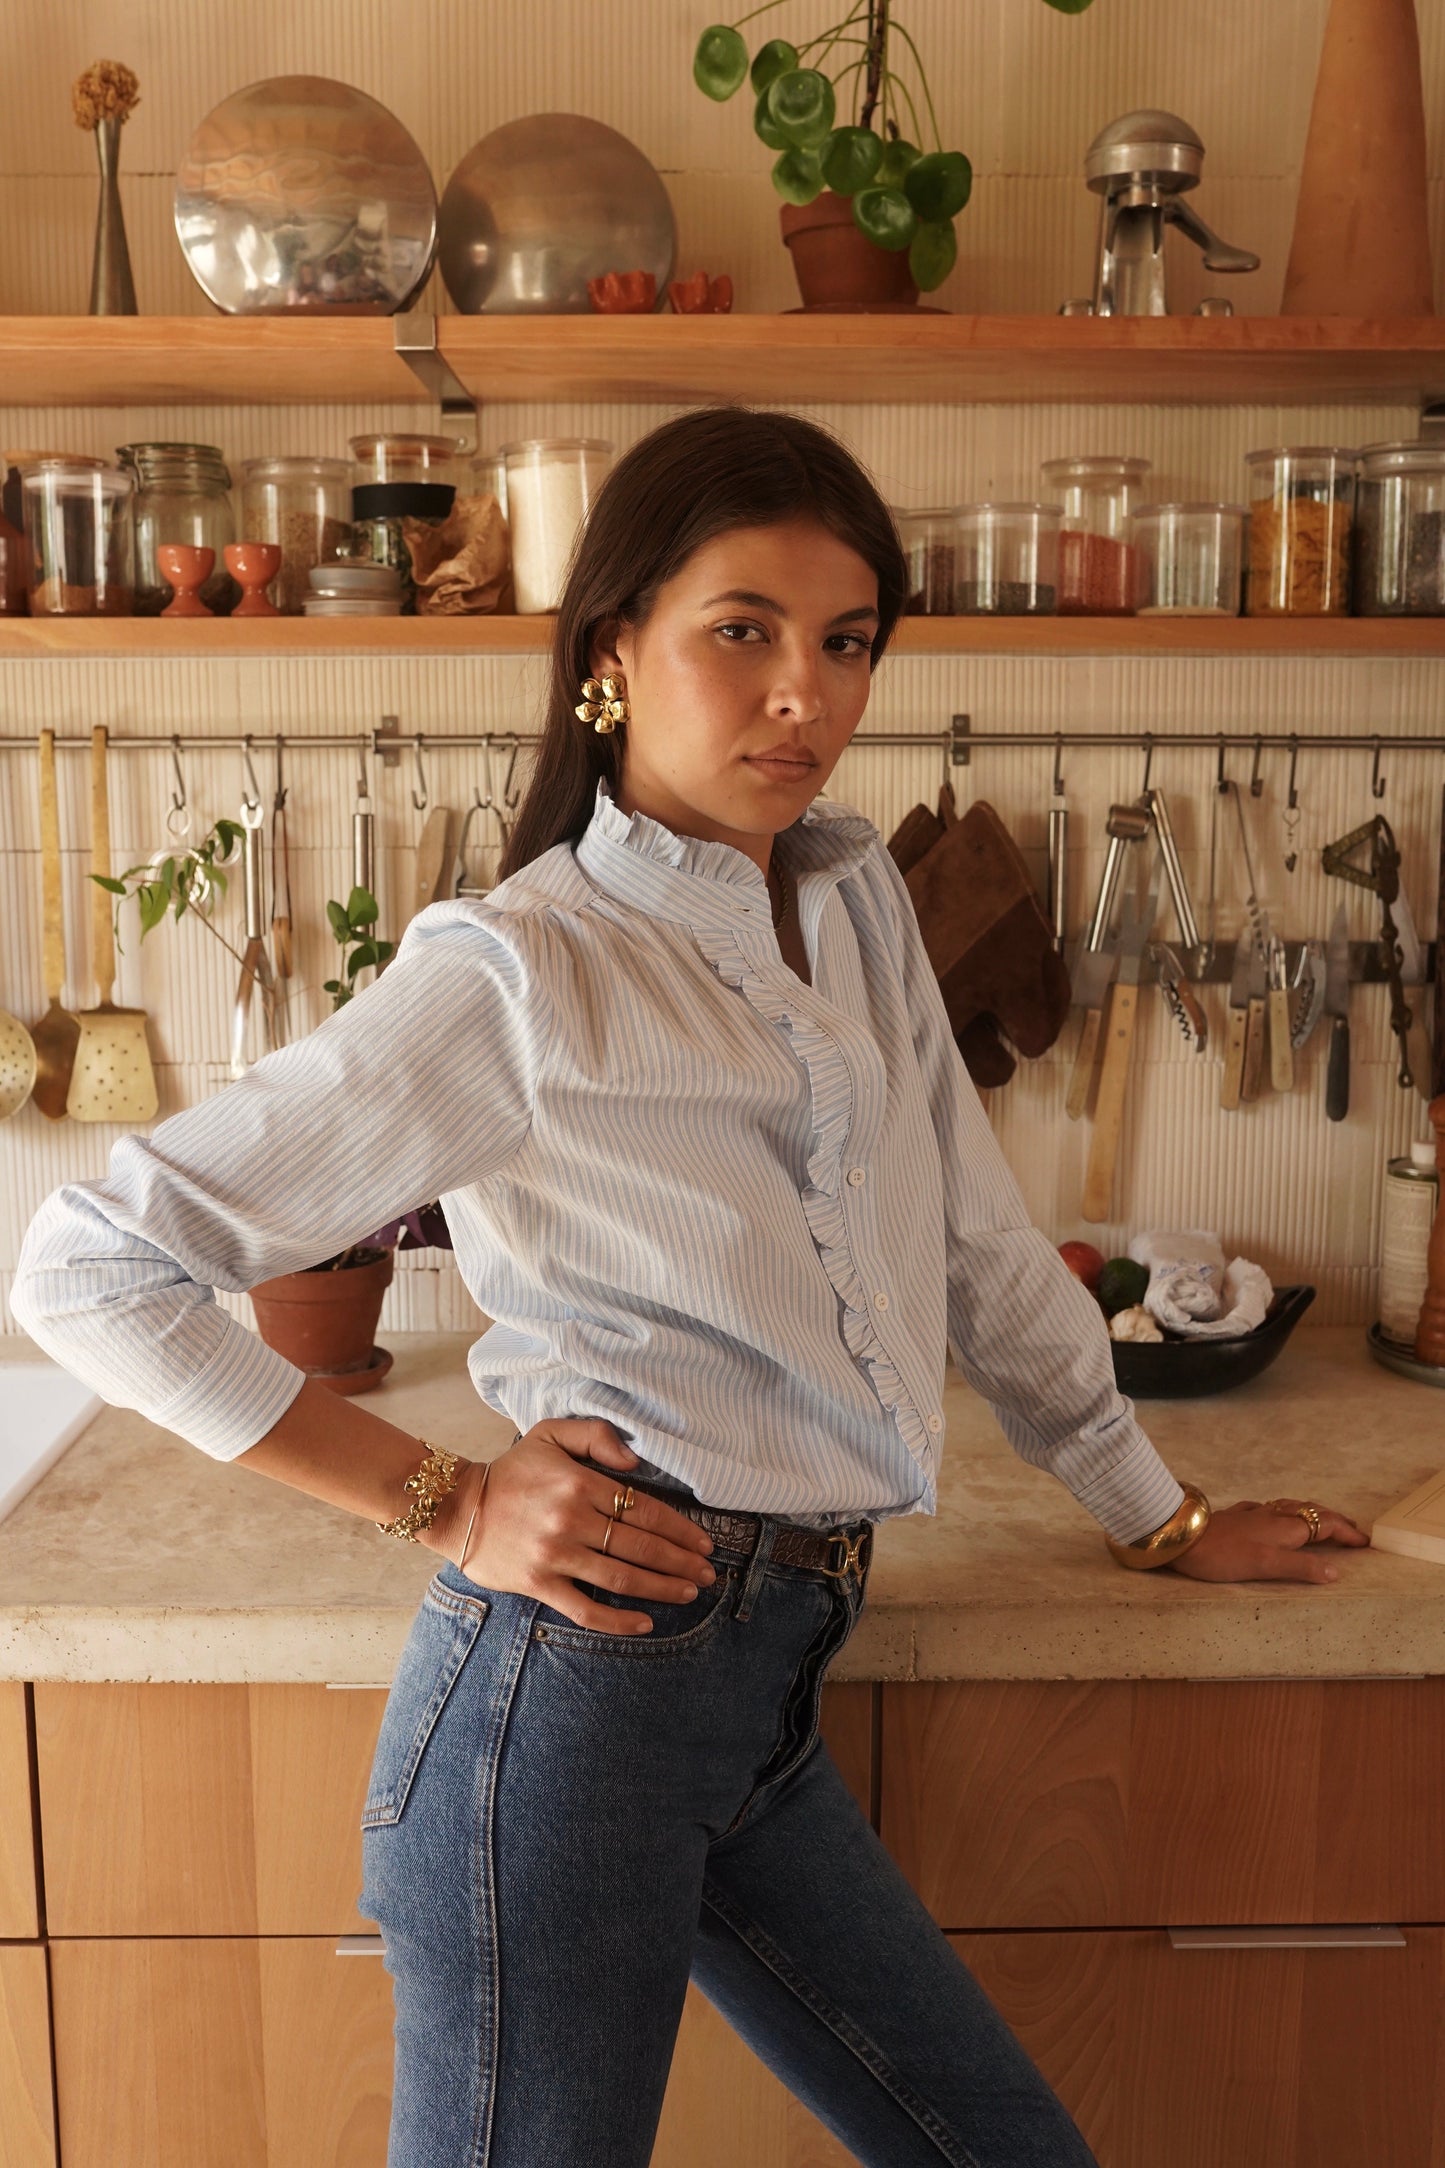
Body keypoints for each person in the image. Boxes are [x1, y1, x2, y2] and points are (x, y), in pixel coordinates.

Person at [10, 407, 1366, 2168]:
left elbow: (971, 1240)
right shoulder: (522, 967)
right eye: (743, 631)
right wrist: (441, 1499)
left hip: (754, 1689)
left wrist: (1156, 1516)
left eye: (847, 639)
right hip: (577, 1709)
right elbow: (89, 1264)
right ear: (611, 656)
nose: (807, 693)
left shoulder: (854, 901)